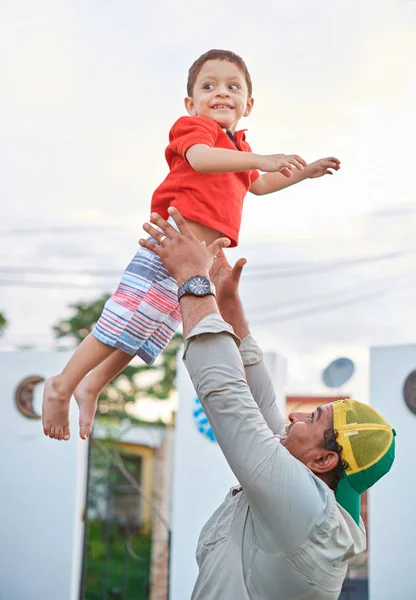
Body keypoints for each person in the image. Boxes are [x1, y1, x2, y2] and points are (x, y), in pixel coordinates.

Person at [42, 49, 340, 441]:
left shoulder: (239, 150)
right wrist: (263, 158)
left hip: (193, 264)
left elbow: (261, 184)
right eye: (209, 86)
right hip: (170, 245)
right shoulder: (195, 129)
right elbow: (200, 160)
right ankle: (62, 383)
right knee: (121, 318)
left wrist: (303, 173)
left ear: (248, 104)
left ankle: (93, 384)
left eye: (233, 87)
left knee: (144, 330)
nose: (221, 93)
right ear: (191, 102)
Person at [139, 207, 396, 600]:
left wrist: (192, 281)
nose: (295, 415)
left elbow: (229, 397)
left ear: (325, 460)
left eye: (312, 417)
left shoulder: (307, 512)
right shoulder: (312, 484)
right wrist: (226, 304)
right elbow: (261, 402)